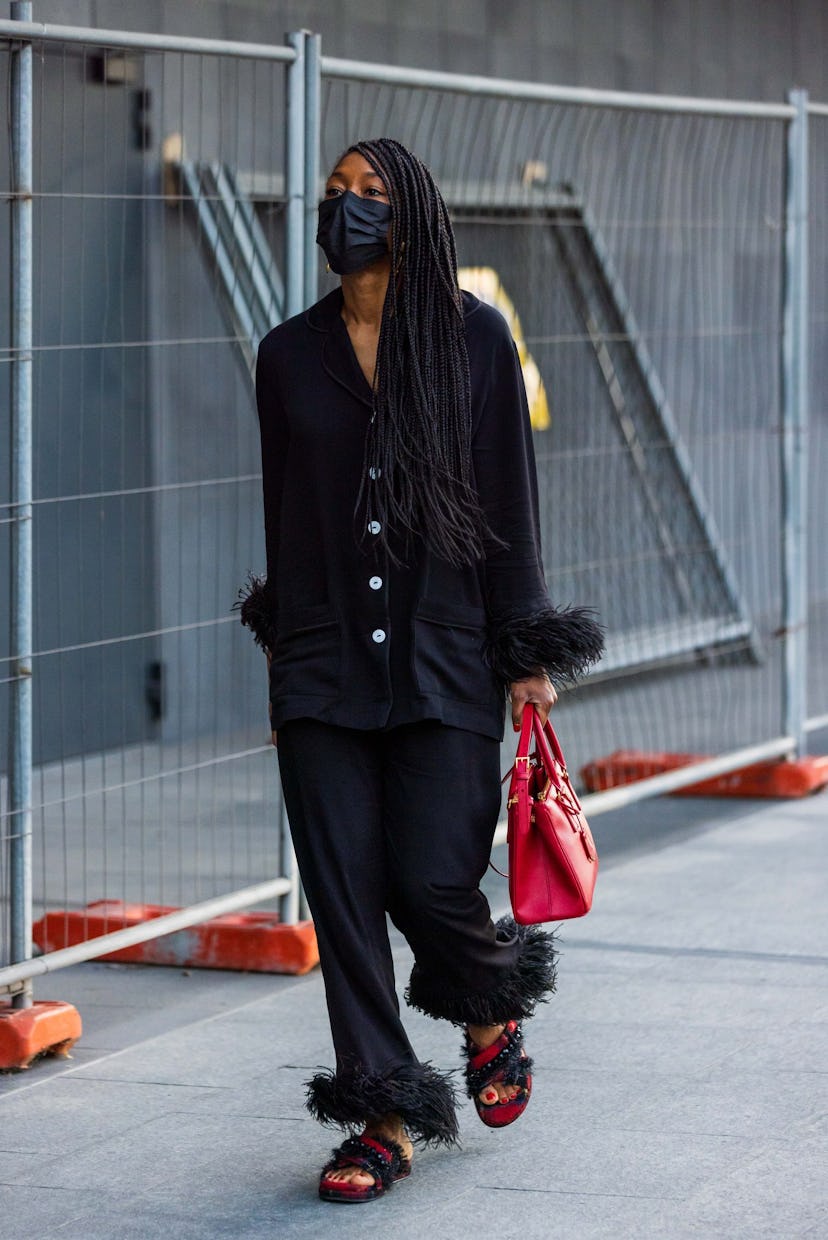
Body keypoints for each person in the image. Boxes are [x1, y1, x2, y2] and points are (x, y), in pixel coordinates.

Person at [237, 137, 602, 1204]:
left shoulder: (474, 339)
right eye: (334, 193)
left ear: (413, 219)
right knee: (345, 899)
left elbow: (507, 505)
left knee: (433, 879)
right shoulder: (285, 356)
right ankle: (380, 1115)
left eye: (370, 195)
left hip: (446, 655)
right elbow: (287, 520)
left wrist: (524, 649)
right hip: (323, 667)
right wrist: (285, 674)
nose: (345, 208)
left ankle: (489, 1011)